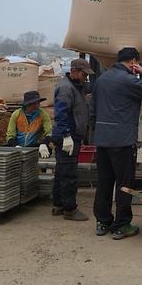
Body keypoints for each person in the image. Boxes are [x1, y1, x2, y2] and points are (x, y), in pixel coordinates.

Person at [90, 47, 142, 240]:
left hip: (102, 141)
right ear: (133, 62)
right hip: (122, 141)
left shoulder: (101, 79)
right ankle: (121, 225)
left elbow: (93, 110)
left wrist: (98, 133)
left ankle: (102, 222)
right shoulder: (129, 80)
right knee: (124, 184)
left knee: (104, 182)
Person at [51, 58, 93, 221]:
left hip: (70, 135)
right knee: (69, 174)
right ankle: (69, 209)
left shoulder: (75, 87)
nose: (86, 78)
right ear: (74, 71)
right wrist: (66, 135)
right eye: (84, 74)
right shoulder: (66, 88)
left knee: (62, 172)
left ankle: (58, 205)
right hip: (66, 137)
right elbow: (61, 114)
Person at [5, 91, 52, 156]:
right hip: (17, 146)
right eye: (34, 103)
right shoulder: (16, 114)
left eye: (38, 103)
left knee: (47, 150)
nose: (37, 105)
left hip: (33, 147)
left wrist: (44, 144)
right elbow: (10, 135)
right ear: (27, 104)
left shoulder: (43, 114)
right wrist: (16, 146)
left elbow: (49, 132)